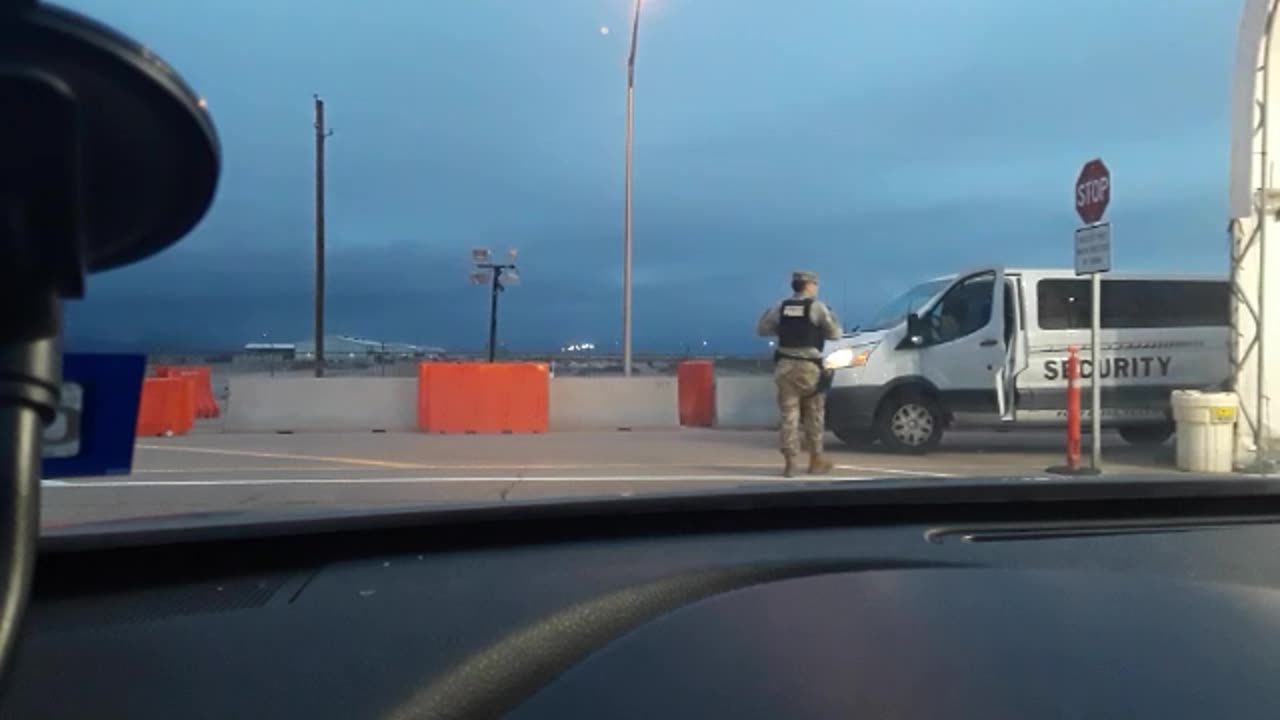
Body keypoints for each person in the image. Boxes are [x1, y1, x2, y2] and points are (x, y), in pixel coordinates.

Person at [756, 270, 843, 477]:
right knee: (814, 414)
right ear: (809, 285)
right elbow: (835, 333)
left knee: (789, 416)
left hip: (784, 367)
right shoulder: (817, 307)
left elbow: (762, 329)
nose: (816, 287)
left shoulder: (781, 307)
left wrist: (784, 331)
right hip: (808, 369)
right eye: (815, 284)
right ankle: (815, 461)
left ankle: (790, 464)